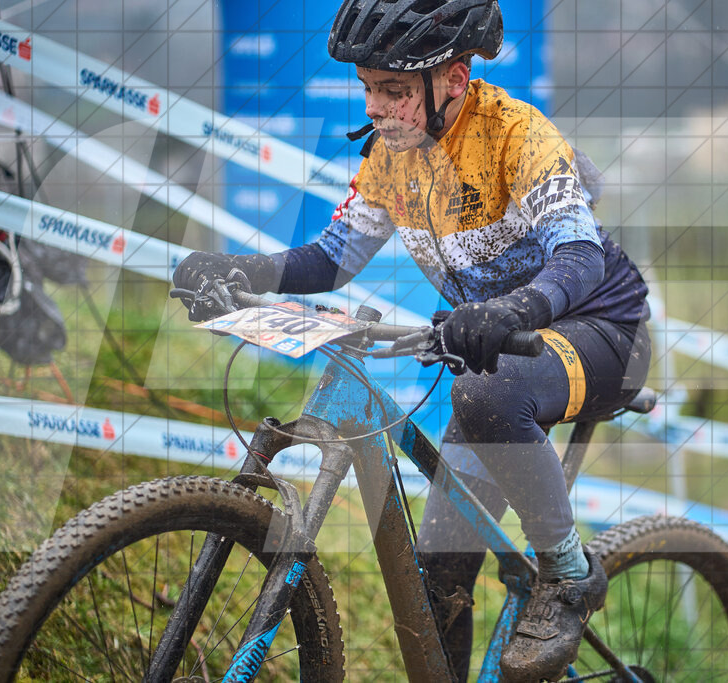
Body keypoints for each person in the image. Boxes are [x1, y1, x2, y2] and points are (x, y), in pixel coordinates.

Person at [172, 0, 651, 679]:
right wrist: (240, 269)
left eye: (393, 90)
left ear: (453, 79)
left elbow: (579, 258)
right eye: (367, 86)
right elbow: (331, 258)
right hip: (494, 347)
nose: (374, 106)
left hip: (606, 330)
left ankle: (571, 576)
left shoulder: (517, 133)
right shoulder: (392, 154)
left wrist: (512, 310)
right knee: (436, 588)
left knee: (483, 391)